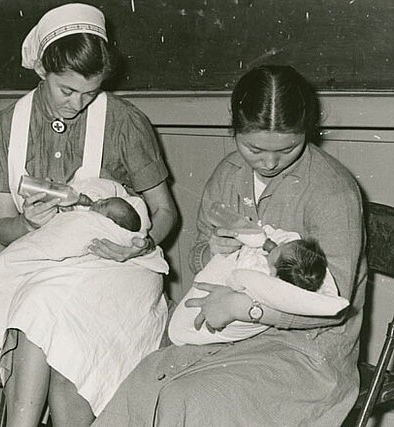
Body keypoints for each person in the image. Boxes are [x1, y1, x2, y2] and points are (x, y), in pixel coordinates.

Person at [92, 65, 366, 426]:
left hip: (307, 351)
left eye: (288, 148)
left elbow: (333, 305)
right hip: (227, 333)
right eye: (254, 148)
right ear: (234, 130)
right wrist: (213, 251)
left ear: (308, 131)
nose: (269, 162)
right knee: (144, 382)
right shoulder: (228, 174)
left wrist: (246, 308)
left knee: (187, 397)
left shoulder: (332, 192)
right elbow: (196, 257)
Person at [0, 3, 177, 425]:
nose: (78, 103)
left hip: (117, 263)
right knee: (41, 303)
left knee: (51, 329)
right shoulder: (7, 125)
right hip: (41, 260)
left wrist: (141, 244)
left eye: (90, 92)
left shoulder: (124, 121)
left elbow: (164, 211)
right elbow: (2, 225)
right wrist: (29, 223)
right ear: (41, 71)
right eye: (66, 91)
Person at [168, 226, 349, 346]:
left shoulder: (260, 273)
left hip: (239, 326)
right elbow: (197, 255)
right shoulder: (283, 264)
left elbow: (235, 278)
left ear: (274, 272)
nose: (275, 244)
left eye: (278, 249)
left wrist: (250, 248)